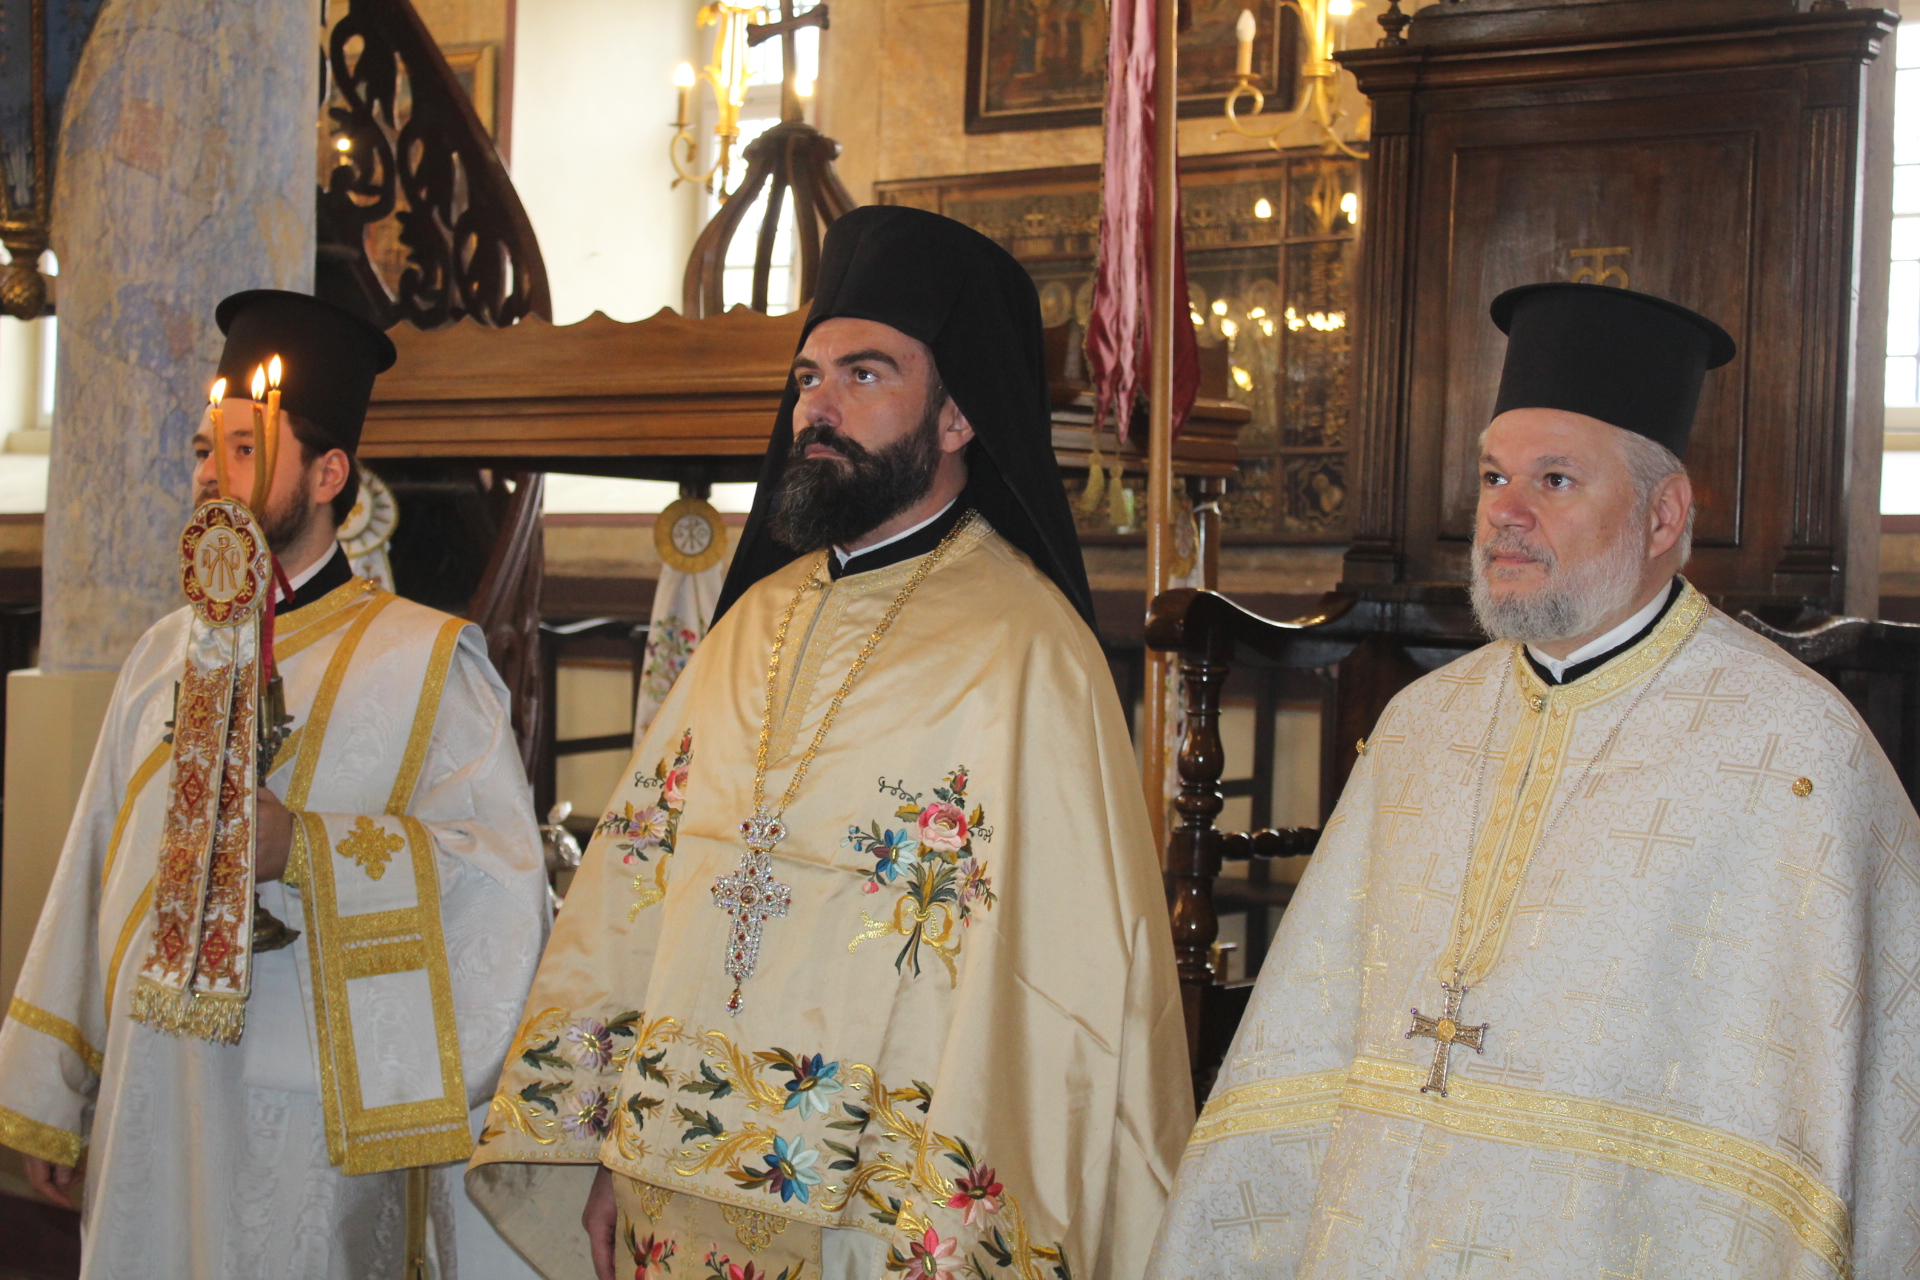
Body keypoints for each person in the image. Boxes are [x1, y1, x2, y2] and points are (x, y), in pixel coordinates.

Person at [468, 206, 1193, 1280]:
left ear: (957, 415)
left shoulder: (1027, 652)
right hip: (674, 1187)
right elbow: (637, 893)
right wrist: (617, 1144)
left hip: (875, 1220)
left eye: (864, 374)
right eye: (808, 377)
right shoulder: (750, 623)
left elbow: (1063, 983)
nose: (818, 406)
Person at [1146, 283, 1920, 1278]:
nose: (1504, 515)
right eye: (1493, 476)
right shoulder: (1423, 724)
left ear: (1662, 515)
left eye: (1555, 480)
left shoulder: (1796, 750)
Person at [0, 290, 551, 1278]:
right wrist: (57, 1086)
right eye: (203, 448)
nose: (211, 474)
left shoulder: (428, 661)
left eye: (245, 448)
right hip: (150, 1091)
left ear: (329, 474)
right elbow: (93, 864)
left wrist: (301, 846)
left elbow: (501, 884)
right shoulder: (162, 653)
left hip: (303, 1114)